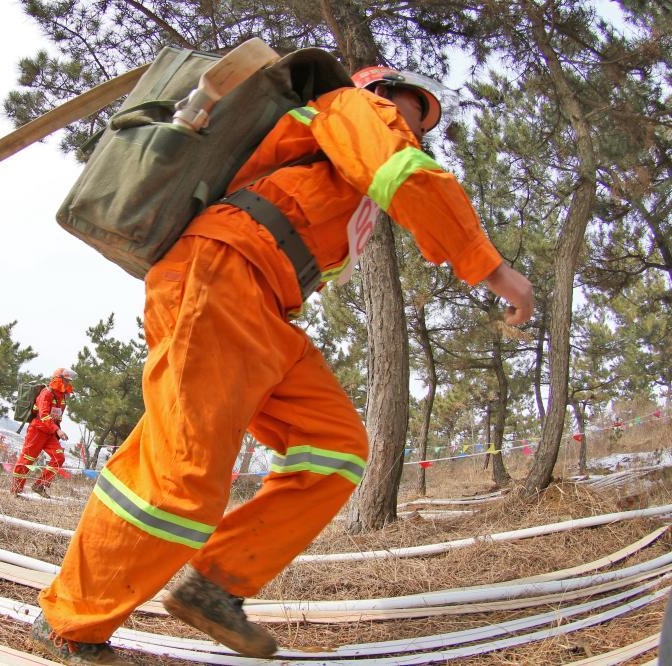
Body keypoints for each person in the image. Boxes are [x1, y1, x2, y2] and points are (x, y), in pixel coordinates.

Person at [31, 65, 534, 664]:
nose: (412, 130)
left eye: (421, 124)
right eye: (409, 111)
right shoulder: (355, 108)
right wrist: (492, 268)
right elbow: (401, 171)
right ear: (381, 94)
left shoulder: (346, 164)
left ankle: (214, 586)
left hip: (262, 306)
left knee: (337, 446)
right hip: (222, 274)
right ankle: (71, 623)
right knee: (181, 474)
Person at [11, 368, 75, 498]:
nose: (68, 384)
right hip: (37, 431)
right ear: (59, 379)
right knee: (26, 460)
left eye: (69, 381)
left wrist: (57, 431)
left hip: (50, 433)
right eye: (66, 380)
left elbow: (57, 416)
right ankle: (15, 491)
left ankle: (40, 485)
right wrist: (58, 430)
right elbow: (44, 415)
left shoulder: (62, 397)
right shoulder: (45, 393)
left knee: (59, 458)